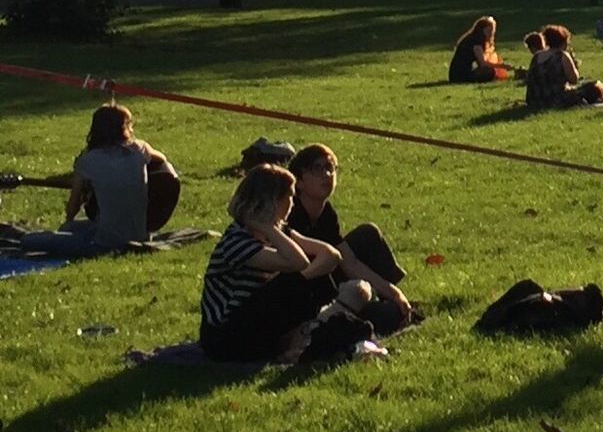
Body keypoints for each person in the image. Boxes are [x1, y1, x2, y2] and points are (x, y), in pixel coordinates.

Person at [199, 164, 365, 363]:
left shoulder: (278, 233)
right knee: (291, 282)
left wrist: (272, 230)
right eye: (288, 197)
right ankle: (309, 333)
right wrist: (268, 228)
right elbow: (297, 262)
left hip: (254, 321)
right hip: (226, 337)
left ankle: (303, 335)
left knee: (306, 276)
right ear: (272, 201)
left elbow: (331, 255)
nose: (292, 204)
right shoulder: (237, 241)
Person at [286, 145, 411, 333]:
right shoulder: (289, 214)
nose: (326, 174)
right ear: (299, 181)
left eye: (330, 167)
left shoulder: (327, 213)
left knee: (368, 234)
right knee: (388, 315)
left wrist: (395, 293)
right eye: (317, 169)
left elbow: (349, 262)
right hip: (311, 294)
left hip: (333, 280)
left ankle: (397, 303)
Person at [18, 104, 172, 257]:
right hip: (141, 235)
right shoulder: (141, 148)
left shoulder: (88, 160)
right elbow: (162, 160)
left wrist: (67, 222)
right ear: (123, 128)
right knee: (72, 228)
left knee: (29, 240)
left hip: (104, 244)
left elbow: (72, 209)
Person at [525, 25, 603, 110]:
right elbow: (574, 79)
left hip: (535, 99)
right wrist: (574, 66)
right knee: (593, 88)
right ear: (563, 42)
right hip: (555, 99)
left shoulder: (537, 56)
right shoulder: (561, 55)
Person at [449, 16, 509, 83]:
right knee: (490, 71)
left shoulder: (472, 39)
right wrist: (501, 66)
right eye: (488, 31)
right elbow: (483, 64)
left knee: (489, 71)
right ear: (482, 30)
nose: (491, 34)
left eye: (492, 31)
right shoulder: (476, 42)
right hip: (460, 76)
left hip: (457, 74)